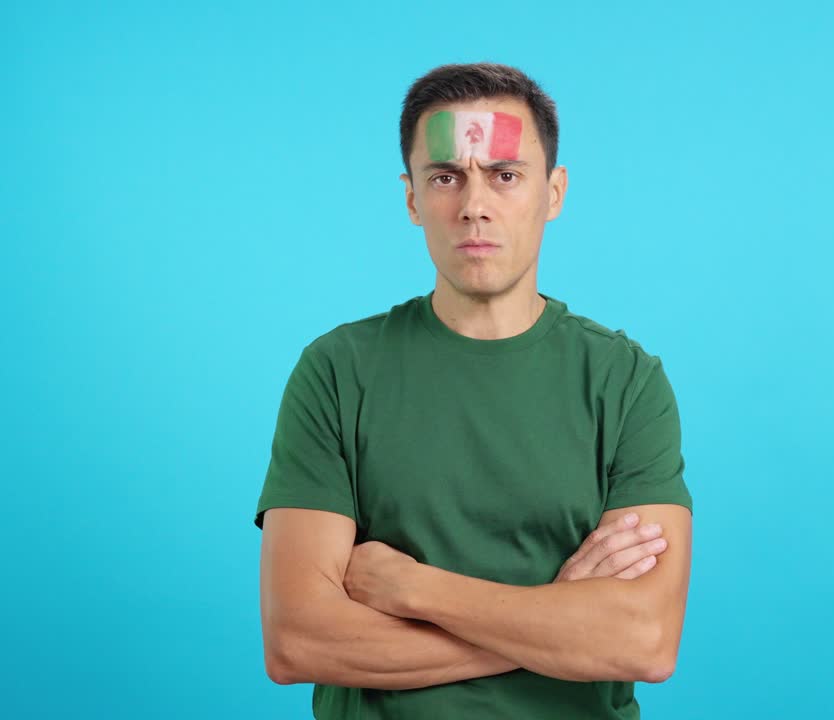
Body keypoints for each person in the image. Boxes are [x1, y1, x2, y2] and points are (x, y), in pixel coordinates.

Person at [253, 62, 694, 719]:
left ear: (554, 192)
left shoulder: (625, 381)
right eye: (445, 177)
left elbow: (645, 641)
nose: (474, 205)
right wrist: (559, 611)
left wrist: (413, 587)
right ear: (411, 198)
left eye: (506, 175)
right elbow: (297, 640)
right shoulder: (336, 372)